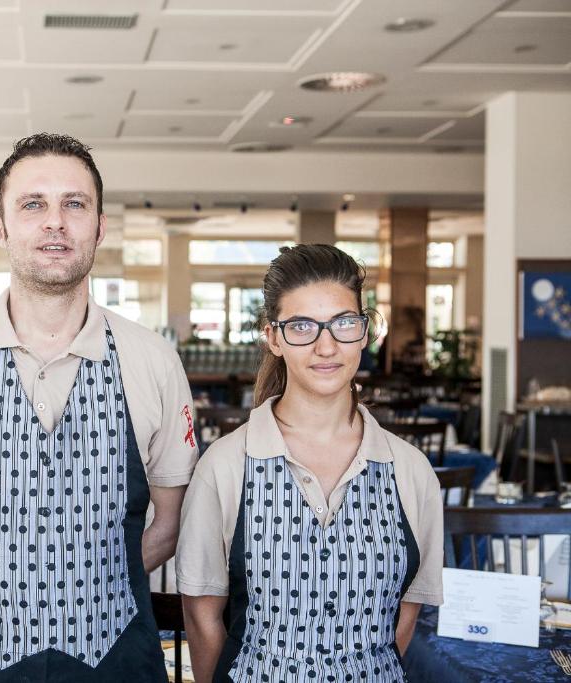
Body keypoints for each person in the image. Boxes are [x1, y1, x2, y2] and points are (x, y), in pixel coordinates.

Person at [0, 133, 199, 682]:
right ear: (1, 226)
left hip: (117, 659)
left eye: (74, 204)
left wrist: (92, 587)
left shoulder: (153, 359)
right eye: (33, 204)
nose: (55, 222)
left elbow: (171, 521)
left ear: (99, 226)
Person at [176, 244, 444, 683]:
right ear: (273, 338)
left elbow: (406, 614)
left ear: (364, 332)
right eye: (302, 326)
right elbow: (202, 617)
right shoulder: (225, 466)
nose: (326, 346)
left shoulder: (410, 470)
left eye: (344, 323)